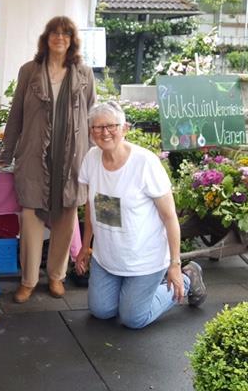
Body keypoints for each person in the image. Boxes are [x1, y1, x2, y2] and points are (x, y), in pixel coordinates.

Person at [75, 101, 207, 329]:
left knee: (133, 319)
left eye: (111, 126)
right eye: (97, 127)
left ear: (124, 128)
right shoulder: (92, 158)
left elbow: (169, 217)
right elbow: (92, 206)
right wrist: (85, 247)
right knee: (102, 311)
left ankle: (187, 278)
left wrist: (174, 265)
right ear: (91, 132)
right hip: (107, 258)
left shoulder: (145, 163)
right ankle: (128, 293)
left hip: (144, 260)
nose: (104, 132)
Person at [0, 16, 96, 303]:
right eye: (54, 33)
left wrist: (93, 159)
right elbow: (16, 114)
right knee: (30, 220)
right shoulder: (29, 71)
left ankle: (56, 276)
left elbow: (90, 116)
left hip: (70, 158)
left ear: (72, 40)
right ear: (46, 38)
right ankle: (28, 280)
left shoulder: (84, 73)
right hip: (33, 156)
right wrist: (6, 154)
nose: (59, 38)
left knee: (66, 219)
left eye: (65, 33)